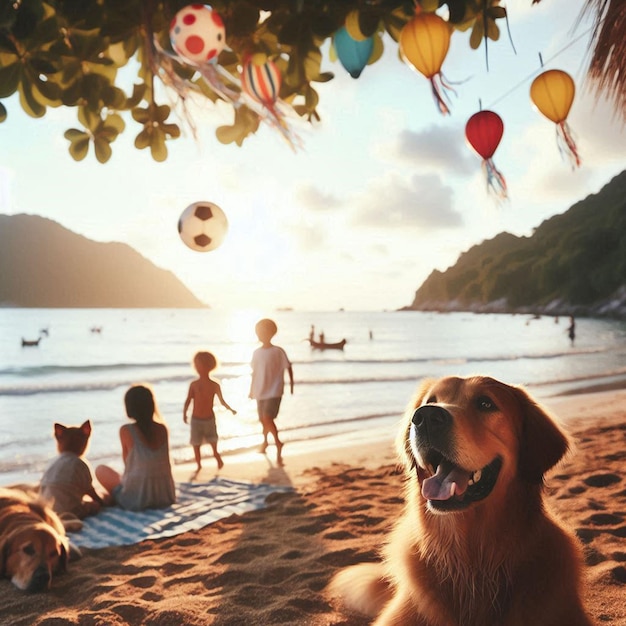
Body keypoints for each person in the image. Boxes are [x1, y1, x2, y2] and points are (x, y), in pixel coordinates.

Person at [95, 384, 176, 511]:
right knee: (123, 476)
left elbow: (127, 462)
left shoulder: (126, 430)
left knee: (100, 470)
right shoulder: (162, 429)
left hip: (136, 500)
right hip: (165, 496)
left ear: (129, 408)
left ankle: (114, 498)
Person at [249, 318, 294, 466]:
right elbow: (254, 373)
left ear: (272, 333)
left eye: (263, 331)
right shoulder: (256, 353)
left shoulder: (278, 351)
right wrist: (251, 390)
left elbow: (288, 366)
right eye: (258, 332)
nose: (260, 334)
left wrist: (292, 385)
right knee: (263, 419)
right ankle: (265, 443)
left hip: (274, 390)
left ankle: (278, 443)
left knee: (268, 418)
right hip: (260, 390)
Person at [183, 351, 237, 471]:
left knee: (213, 441)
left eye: (199, 364)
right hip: (196, 419)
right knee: (196, 443)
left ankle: (217, 457)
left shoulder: (214, 385)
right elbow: (188, 400)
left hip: (209, 419)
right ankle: (198, 465)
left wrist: (231, 409)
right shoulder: (194, 384)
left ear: (209, 366)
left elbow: (222, 401)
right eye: (195, 364)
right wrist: (184, 414)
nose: (197, 367)